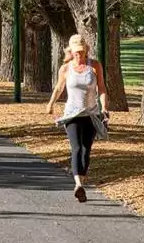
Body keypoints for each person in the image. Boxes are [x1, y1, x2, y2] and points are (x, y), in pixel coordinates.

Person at [46, 34, 108, 203]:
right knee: (77, 148)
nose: (79, 55)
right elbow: (59, 88)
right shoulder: (65, 68)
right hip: (72, 114)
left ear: (86, 50)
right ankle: (78, 184)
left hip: (91, 113)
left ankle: (82, 177)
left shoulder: (94, 66)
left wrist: (105, 108)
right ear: (71, 51)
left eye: (81, 51)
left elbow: (101, 89)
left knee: (86, 149)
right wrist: (51, 104)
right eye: (76, 52)